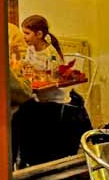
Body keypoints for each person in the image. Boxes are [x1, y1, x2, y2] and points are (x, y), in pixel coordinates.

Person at [11, 14, 92, 168]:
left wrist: (36, 75)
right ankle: (25, 157)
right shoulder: (31, 49)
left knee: (23, 116)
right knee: (21, 113)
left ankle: (31, 157)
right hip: (39, 98)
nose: (24, 37)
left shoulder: (50, 53)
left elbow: (54, 77)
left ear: (39, 34)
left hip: (53, 100)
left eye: (27, 33)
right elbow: (27, 65)